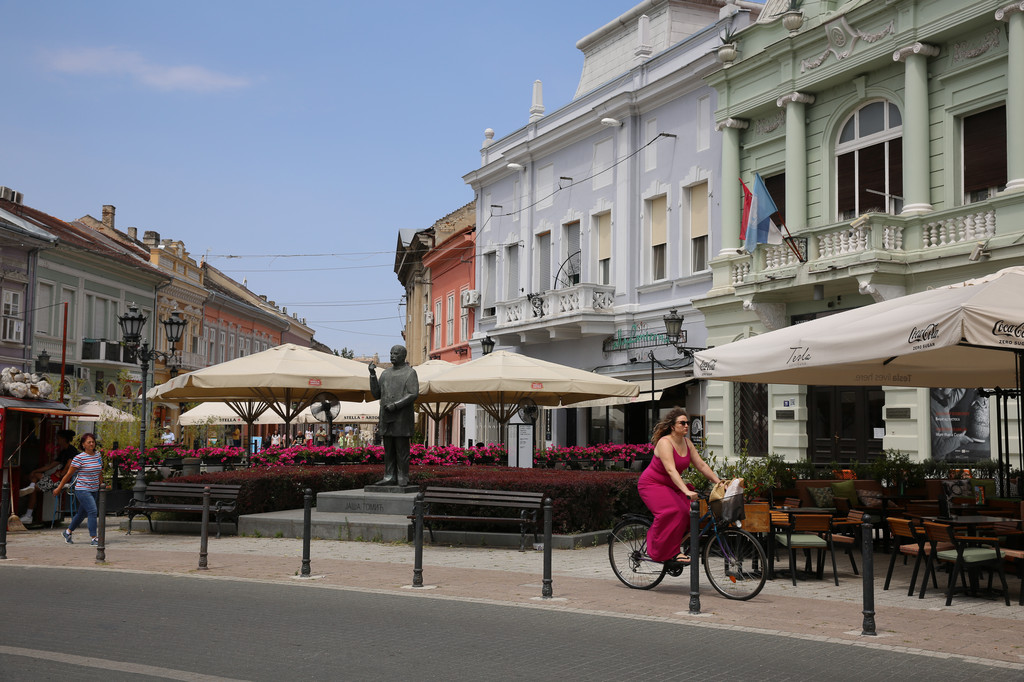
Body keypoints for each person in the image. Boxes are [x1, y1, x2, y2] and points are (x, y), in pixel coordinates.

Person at [638, 408, 722, 565]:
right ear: (672, 426)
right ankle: (665, 549)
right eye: (682, 423)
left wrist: (718, 482)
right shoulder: (665, 443)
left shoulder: (687, 443)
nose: (686, 426)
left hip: (672, 485)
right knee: (674, 511)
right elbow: (670, 469)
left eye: (687, 423)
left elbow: (701, 465)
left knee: (689, 514)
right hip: (652, 484)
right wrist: (686, 490)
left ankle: (672, 544)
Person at [369, 344, 419, 486]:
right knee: (389, 450)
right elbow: (376, 394)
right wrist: (372, 375)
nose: (392, 356)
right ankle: (389, 476)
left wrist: (396, 405)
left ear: (403, 356)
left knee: (402, 450)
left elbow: (413, 394)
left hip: (401, 417)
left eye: (396, 353)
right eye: (391, 353)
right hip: (386, 416)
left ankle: (403, 476)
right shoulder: (385, 373)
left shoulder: (410, 373)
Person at [53, 432, 103, 546]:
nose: (91, 444)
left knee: (81, 513)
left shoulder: (97, 455)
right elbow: (68, 475)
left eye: (93, 442)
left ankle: (67, 532)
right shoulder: (79, 458)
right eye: (89, 442)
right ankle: (94, 537)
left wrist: (102, 484)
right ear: (83, 444)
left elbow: (99, 471)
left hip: (94, 489)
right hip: (82, 490)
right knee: (92, 511)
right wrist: (59, 488)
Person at [18, 429, 78, 524]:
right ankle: (31, 486)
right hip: (56, 477)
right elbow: (50, 466)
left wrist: (62, 474)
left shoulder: (72, 450)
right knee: (35, 475)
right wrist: (35, 471)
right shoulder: (63, 452)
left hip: (62, 479)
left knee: (33, 490)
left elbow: (70, 464)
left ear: (63, 439)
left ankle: (28, 515)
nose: (57, 440)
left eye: (58, 438)